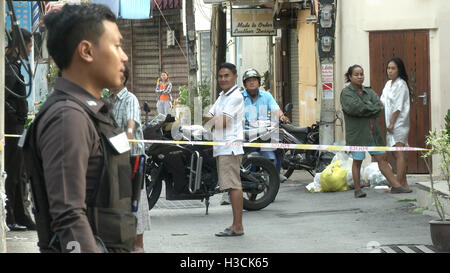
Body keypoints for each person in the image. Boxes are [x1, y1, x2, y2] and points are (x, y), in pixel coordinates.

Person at [22, 3, 136, 252]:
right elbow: (68, 216)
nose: (124, 56)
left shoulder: (89, 111)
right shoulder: (67, 118)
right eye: (116, 45)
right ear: (86, 51)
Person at [340, 65, 412, 198]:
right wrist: (369, 109)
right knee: (357, 161)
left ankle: (396, 186)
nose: (360, 77)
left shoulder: (368, 91)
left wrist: (367, 109)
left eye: (362, 74)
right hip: (357, 134)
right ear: (350, 77)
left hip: (373, 133)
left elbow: (379, 106)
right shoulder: (346, 93)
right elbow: (355, 109)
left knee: (382, 158)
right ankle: (357, 190)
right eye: (356, 74)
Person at [109, 65, 150, 253]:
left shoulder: (129, 98)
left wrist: (129, 134)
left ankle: (138, 246)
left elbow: (130, 123)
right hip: (116, 158)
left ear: (123, 78)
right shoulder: (108, 100)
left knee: (136, 200)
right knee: (122, 202)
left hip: (132, 157)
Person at [204, 63, 245, 237]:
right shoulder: (222, 96)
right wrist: (213, 119)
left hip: (230, 147)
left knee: (234, 186)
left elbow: (222, 122)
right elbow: (208, 117)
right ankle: (236, 225)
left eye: (226, 75)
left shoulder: (235, 97)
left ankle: (238, 226)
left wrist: (213, 119)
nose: (223, 79)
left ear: (235, 76)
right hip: (222, 147)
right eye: (220, 76)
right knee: (230, 187)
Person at [4, 28, 36, 231]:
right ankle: (10, 217)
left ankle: (20, 215)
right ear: (20, 44)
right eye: (30, 45)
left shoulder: (14, 65)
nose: (31, 49)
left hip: (18, 128)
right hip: (12, 129)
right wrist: (15, 117)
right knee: (12, 174)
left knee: (19, 173)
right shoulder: (7, 67)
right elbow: (3, 96)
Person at [380, 57, 411, 190]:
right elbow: (382, 101)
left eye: (393, 68)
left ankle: (397, 185)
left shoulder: (401, 84)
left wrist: (392, 123)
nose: (390, 71)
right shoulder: (388, 84)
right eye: (388, 68)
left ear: (399, 70)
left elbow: (398, 107)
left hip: (399, 123)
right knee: (395, 153)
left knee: (399, 153)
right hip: (389, 123)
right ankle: (404, 183)